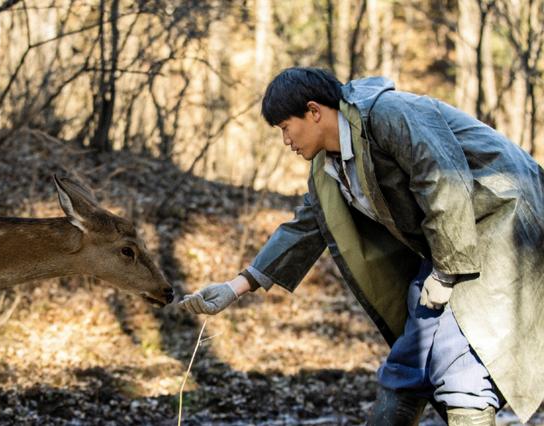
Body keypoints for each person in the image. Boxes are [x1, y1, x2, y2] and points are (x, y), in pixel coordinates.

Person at [179, 67, 544, 425]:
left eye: (286, 128)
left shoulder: (389, 113)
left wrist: (446, 273)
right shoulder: (327, 168)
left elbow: (443, 180)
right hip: (452, 242)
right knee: (406, 365)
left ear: (314, 111)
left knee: (460, 368)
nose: (286, 140)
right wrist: (236, 287)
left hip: (504, 221)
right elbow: (306, 227)